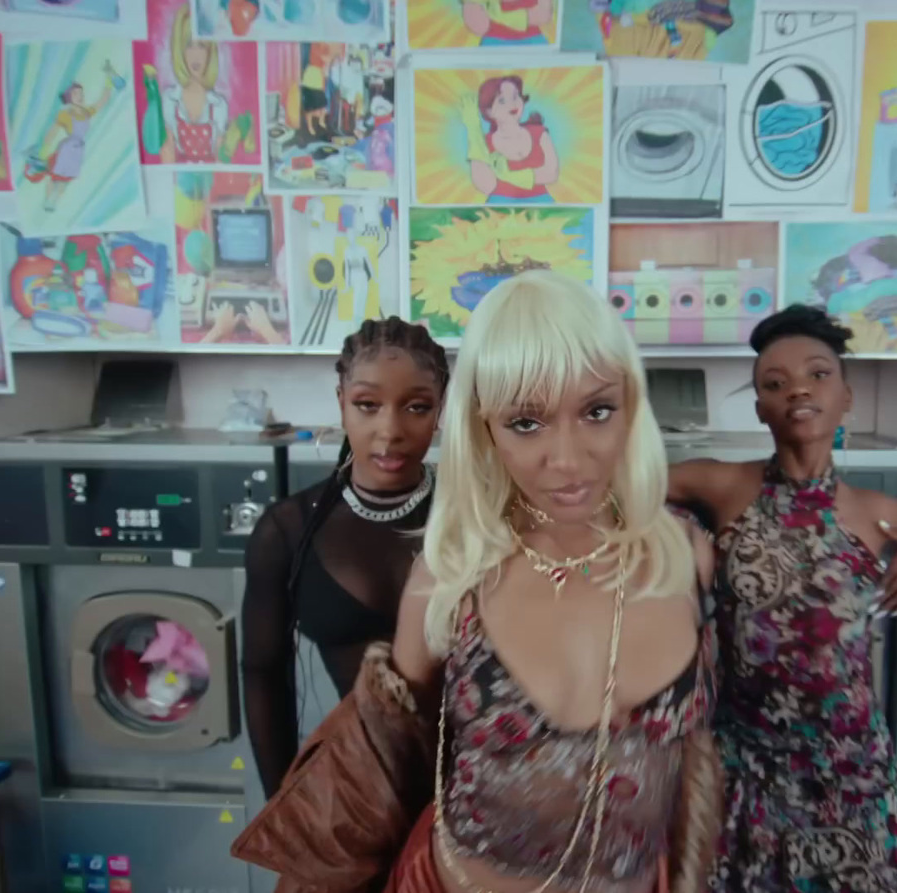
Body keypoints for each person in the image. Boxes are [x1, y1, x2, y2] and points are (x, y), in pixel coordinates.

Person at [234, 272, 723, 893]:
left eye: (597, 410)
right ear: (482, 426)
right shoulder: (451, 580)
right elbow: (383, 777)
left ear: (632, 403)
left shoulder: (687, 557)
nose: (568, 460)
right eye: (526, 423)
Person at [668, 304, 897, 893]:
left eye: (817, 374)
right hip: (746, 765)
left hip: (850, 771)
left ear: (846, 396)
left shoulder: (878, 514)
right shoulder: (722, 484)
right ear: (760, 407)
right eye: (774, 384)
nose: (798, 391)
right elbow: (623, 488)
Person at [241, 317, 449, 799]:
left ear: (439, 410)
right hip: (360, 796)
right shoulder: (286, 532)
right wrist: (282, 805)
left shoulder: (473, 518)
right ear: (341, 404)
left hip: (474, 795)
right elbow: (263, 675)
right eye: (367, 405)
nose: (390, 430)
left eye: (416, 407)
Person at [27, 63, 119, 212]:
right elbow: (53, 132)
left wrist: (109, 80)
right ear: (70, 97)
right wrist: (44, 150)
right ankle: (47, 201)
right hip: (66, 149)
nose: (80, 96)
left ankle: (53, 202)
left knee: (65, 181)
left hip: (78, 152)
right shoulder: (65, 114)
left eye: (81, 93)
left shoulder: (87, 112)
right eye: (76, 94)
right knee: (54, 176)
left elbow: (103, 100)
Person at [461, 75, 559, 205]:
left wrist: (508, 176)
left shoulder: (539, 133)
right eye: (502, 101)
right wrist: (473, 127)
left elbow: (551, 173)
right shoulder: (484, 142)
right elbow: (486, 186)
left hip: (541, 204)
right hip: (500, 207)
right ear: (489, 112)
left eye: (515, 96)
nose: (512, 104)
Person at [161, 4, 229, 164]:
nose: (196, 56)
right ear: (180, 49)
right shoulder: (170, 99)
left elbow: (222, 158)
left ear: (210, 51)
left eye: (202, 46)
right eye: (189, 46)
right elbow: (168, 150)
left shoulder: (219, 105)